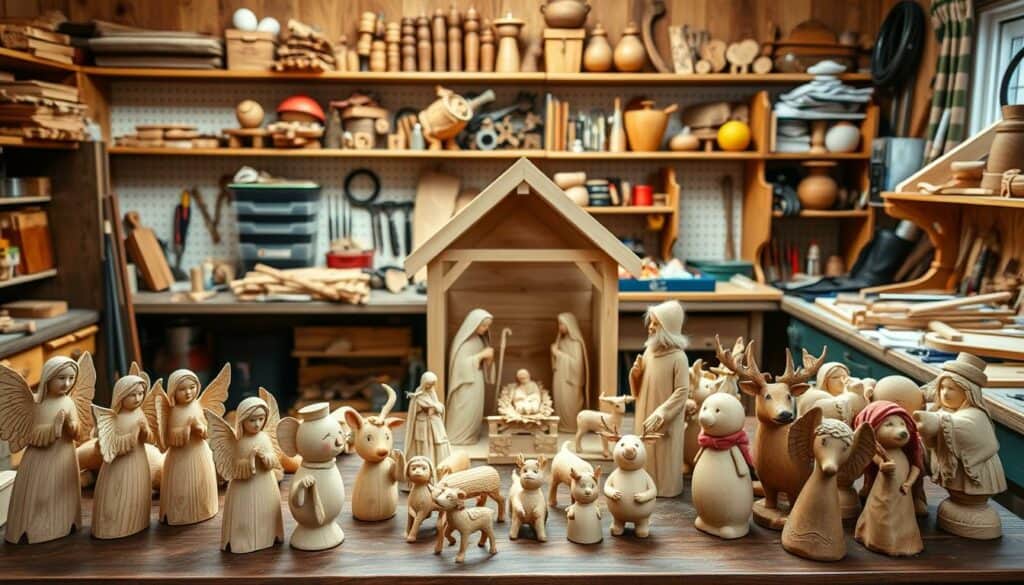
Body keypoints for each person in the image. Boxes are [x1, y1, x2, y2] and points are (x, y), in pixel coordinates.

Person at [630, 300, 691, 498]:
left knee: (664, 456)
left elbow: (682, 391)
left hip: (665, 421)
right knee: (646, 451)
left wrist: (663, 412)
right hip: (645, 414)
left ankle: (665, 488)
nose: (650, 327)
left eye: (655, 324)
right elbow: (639, 387)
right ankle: (644, 483)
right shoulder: (649, 351)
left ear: (667, 327)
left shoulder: (678, 358)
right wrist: (635, 375)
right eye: (651, 322)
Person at [446, 309, 494, 444]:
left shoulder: (478, 340)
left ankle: (471, 435)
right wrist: (481, 355)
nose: (486, 329)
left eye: (488, 326)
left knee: (475, 410)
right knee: (465, 410)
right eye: (484, 325)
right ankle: (460, 437)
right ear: (474, 324)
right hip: (465, 384)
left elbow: (483, 364)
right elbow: (460, 365)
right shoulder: (464, 342)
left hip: (476, 380)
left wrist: (488, 358)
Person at [404, 371, 451, 474]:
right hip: (423, 427)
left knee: (438, 447)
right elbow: (414, 411)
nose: (430, 386)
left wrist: (435, 407)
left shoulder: (432, 392)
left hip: (434, 426)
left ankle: (437, 472)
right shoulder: (418, 394)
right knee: (424, 450)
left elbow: (438, 406)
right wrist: (426, 407)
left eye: (432, 384)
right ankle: (426, 472)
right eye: (428, 384)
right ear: (424, 383)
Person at [551, 312, 588, 432]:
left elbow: (577, 365)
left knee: (570, 404)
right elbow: (555, 364)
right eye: (559, 324)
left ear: (569, 325)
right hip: (560, 377)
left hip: (570, 380)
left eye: (562, 324)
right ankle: (562, 425)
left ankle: (571, 426)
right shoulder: (561, 341)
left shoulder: (576, 343)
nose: (559, 327)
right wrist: (553, 354)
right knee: (560, 402)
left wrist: (558, 354)